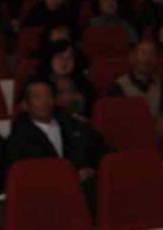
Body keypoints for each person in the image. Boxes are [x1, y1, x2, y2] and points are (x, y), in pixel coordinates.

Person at [7, 77, 111, 208]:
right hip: (46, 198)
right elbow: (27, 177)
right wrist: (69, 177)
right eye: (38, 98)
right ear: (25, 105)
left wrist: (92, 170)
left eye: (49, 96)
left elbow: (102, 150)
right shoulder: (18, 139)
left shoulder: (73, 125)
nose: (45, 102)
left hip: (86, 190)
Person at [105, 40, 163, 129]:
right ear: (132, 58)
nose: (147, 59)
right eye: (143, 54)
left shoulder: (161, 85)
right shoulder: (118, 86)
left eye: (152, 55)